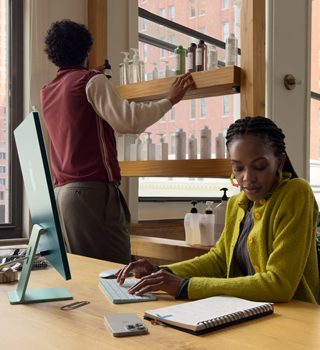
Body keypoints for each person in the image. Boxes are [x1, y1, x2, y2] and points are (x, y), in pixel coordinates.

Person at [116, 116, 320, 304]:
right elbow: (219, 259)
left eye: (259, 166)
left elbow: (279, 285)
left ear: (279, 162)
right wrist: (162, 272)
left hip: (295, 317)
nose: (247, 178)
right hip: (246, 311)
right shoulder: (235, 204)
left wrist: (185, 286)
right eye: (238, 168)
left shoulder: (296, 192)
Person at [40, 19, 194, 264]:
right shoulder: (91, 80)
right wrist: (169, 100)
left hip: (62, 193)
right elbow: (129, 122)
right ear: (86, 51)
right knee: (116, 271)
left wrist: (96, 80)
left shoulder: (48, 90)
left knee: (85, 270)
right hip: (92, 191)